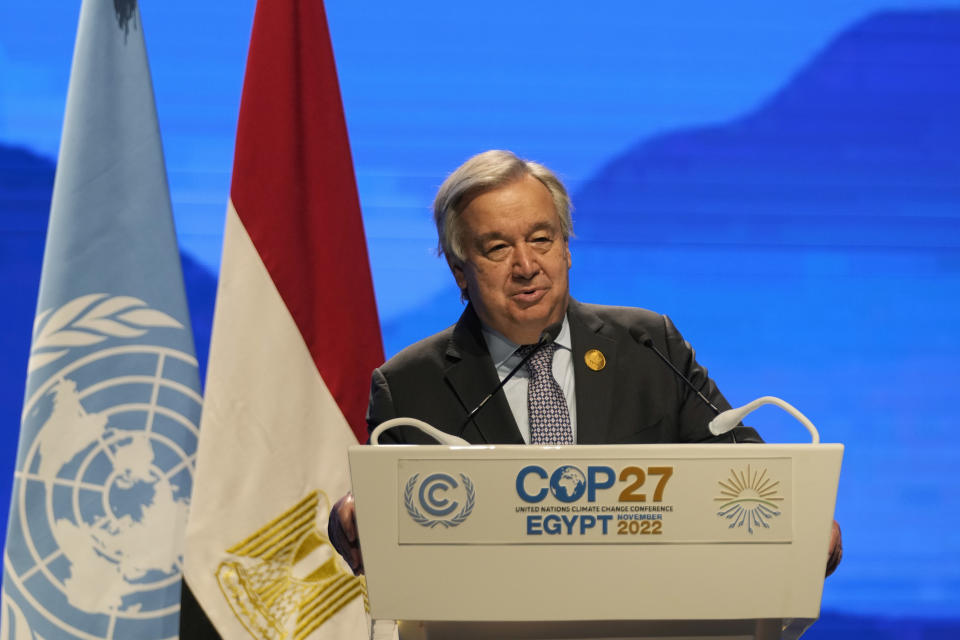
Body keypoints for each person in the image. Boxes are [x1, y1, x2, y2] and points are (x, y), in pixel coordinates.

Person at [330, 149, 842, 576]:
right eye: (497, 248)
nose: (526, 266)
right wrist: (350, 517)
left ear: (567, 247)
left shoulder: (649, 346)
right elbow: (377, 514)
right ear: (461, 271)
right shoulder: (410, 386)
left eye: (541, 238)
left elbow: (746, 472)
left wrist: (804, 520)